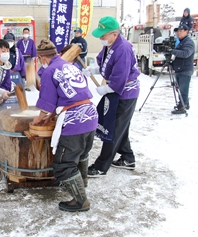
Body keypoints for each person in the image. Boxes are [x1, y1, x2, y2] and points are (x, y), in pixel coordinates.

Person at [31, 39, 98, 212]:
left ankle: (80, 200)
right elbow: (73, 95)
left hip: (74, 120)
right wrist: (52, 114)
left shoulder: (49, 71)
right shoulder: (70, 66)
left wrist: (38, 120)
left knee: (63, 163)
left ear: (41, 58)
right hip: (90, 114)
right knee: (82, 152)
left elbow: (47, 103)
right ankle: (81, 183)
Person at [87, 16, 140, 177]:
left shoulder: (122, 48)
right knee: (121, 126)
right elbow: (107, 64)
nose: (101, 39)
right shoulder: (111, 45)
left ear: (114, 34)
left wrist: (108, 88)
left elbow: (121, 76)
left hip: (125, 92)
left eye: (103, 35)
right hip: (116, 89)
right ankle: (128, 157)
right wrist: (95, 70)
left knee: (114, 129)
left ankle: (101, 166)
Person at [170, 24, 194, 114]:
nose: (178, 33)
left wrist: (172, 51)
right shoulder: (180, 42)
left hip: (185, 69)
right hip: (180, 68)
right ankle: (184, 103)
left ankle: (182, 107)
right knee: (179, 88)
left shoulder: (188, 42)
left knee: (183, 89)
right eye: (177, 31)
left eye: (181, 31)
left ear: (186, 32)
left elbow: (186, 53)